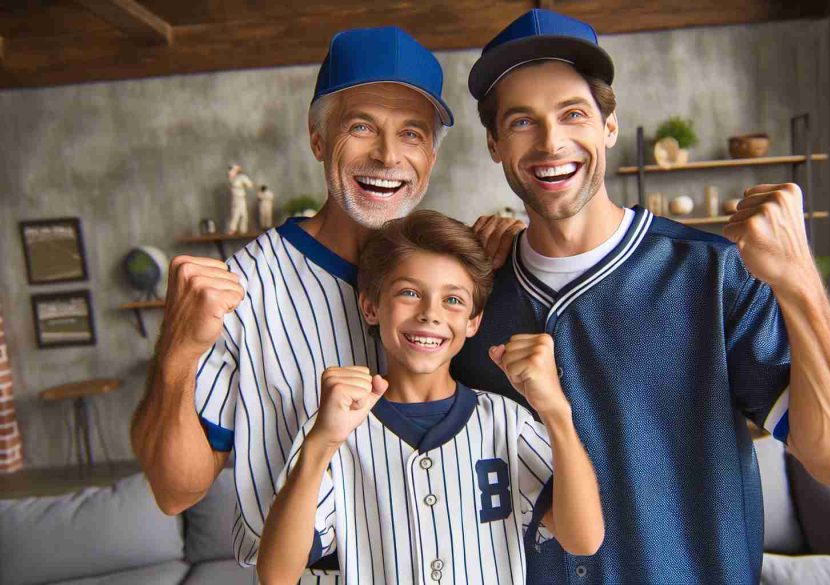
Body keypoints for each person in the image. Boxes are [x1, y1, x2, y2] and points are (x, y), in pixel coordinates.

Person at [453, 9, 830, 584]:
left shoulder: (712, 273)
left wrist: (798, 277)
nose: (551, 142)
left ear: (608, 126)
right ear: (496, 145)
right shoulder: (471, 300)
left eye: (573, 114)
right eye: (523, 122)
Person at [129, 26, 520, 577]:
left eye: (411, 134)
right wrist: (175, 351)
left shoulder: (458, 266)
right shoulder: (247, 286)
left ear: (430, 157)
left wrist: (509, 258)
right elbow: (175, 492)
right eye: (361, 127)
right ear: (317, 139)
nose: (387, 155)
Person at [256, 210, 603, 584]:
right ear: (371, 307)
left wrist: (555, 411)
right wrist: (321, 443)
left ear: (473, 321)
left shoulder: (507, 420)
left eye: (453, 300)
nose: (430, 315)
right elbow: (276, 575)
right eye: (409, 293)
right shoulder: (333, 426)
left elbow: (583, 539)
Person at [226, 164, 254, 234]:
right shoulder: (233, 176)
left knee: (243, 214)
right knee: (236, 212)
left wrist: (244, 185)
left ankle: (243, 230)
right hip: (237, 196)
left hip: (241, 196)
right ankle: (233, 229)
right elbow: (231, 176)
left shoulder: (242, 177)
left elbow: (249, 184)